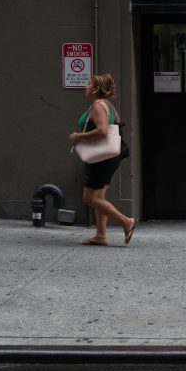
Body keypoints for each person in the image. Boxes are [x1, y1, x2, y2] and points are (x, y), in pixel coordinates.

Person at [69, 73, 137, 246]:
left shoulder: (98, 105)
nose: (86, 87)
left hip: (101, 158)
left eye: (89, 84)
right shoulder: (109, 106)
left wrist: (80, 136)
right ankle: (100, 235)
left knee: (90, 197)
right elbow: (117, 124)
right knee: (100, 196)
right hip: (109, 156)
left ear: (96, 88)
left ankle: (126, 222)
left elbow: (103, 131)